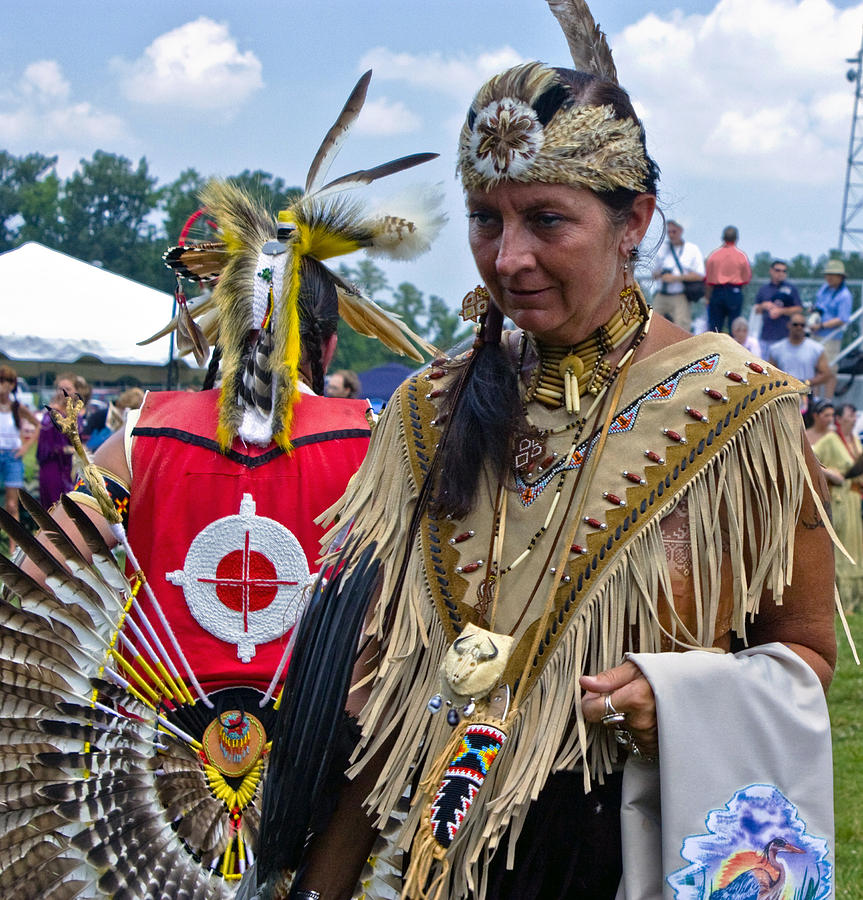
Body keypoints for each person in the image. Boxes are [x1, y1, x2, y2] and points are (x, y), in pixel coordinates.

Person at [271, 14, 837, 900]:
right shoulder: (425, 412)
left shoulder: (745, 418)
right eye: (484, 220)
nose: (510, 258)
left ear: (633, 222)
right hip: (414, 853)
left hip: (616, 852)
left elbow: (805, 659)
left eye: (545, 219)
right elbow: (366, 695)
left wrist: (676, 703)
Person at [0, 70, 443, 897]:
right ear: (326, 338)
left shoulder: (142, 434)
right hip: (326, 773)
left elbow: (37, 582)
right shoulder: (379, 443)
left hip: (150, 771)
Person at [806, 400, 863, 611]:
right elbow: (809, 458)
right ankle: (837, 600)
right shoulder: (830, 439)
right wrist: (830, 473)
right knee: (840, 548)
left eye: (855, 414)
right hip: (838, 501)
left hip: (853, 499)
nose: (854, 417)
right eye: (850, 413)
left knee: (855, 548)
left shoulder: (855, 440)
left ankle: (854, 600)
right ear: (840, 418)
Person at [0, 364, 40, 553]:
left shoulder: (17, 407)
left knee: (11, 504)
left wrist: (25, 447)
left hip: (12, 457)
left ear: (12, 384)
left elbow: (38, 425)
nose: (2, 386)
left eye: (5, 381)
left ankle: (13, 545)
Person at [650, 219, 705, 333]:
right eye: (669, 232)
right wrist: (661, 275)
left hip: (679, 295)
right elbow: (654, 273)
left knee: (682, 328)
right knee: (651, 324)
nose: (671, 235)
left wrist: (676, 278)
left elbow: (700, 275)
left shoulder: (691, 249)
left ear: (680, 231)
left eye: (674, 232)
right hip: (662, 294)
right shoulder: (662, 248)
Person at [36, 371, 79, 507]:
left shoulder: (73, 414)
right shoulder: (52, 414)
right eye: (60, 389)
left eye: (68, 389)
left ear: (75, 391)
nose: (63, 392)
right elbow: (48, 446)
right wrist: (72, 449)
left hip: (69, 468)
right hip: (52, 466)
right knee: (55, 507)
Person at [769, 313, 836, 399]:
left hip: (806, 396)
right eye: (795, 324)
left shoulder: (816, 349)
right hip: (783, 396)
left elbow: (826, 374)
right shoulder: (776, 349)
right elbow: (770, 374)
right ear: (789, 325)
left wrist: (806, 382)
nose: (799, 327)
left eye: (802, 325)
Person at [704, 225, 752, 334]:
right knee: (735, 327)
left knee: (715, 327)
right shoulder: (741, 256)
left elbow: (708, 280)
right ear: (736, 238)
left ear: (723, 238)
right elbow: (746, 279)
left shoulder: (714, 255)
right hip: (734, 291)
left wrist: (708, 297)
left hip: (717, 292)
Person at [753, 259, 802, 359]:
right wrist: (764, 305)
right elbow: (756, 309)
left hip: (785, 336)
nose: (781, 273)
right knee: (765, 368)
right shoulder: (764, 289)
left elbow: (799, 309)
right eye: (778, 270)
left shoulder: (791, 289)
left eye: (784, 271)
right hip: (766, 336)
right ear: (771, 271)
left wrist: (781, 311)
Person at [811, 258, 854, 361]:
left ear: (840, 277)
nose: (829, 277)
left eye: (832, 274)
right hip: (815, 335)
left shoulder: (845, 295)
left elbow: (842, 319)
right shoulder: (824, 289)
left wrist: (820, 326)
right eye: (827, 274)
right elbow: (819, 305)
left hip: (831, 338)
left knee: (827, 369)